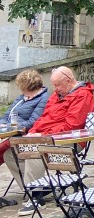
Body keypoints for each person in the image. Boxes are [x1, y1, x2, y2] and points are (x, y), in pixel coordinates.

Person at [7, 68, 94, 211]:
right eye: (53, 85)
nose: (55, 89)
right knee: (10, 153)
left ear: (68, 81)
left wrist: (42, 135)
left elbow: (71, 126)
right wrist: (33, 132)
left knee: (34, 151)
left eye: (57, 85)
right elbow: (44, 118)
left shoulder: (83, 95)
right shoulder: (57, 95)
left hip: (70, 140)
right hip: (48, 137)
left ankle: (36, 197)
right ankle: (38, 188)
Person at [0, 70, 49, 204]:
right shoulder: (22, 98)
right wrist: (3, 124)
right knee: (5, 152)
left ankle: (35, 188)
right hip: (11, 133)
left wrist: (11, 127)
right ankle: (32, 187)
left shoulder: (43, 98)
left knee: (3, 151)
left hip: (24, 135)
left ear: (27, 85)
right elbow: (6, 115)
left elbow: (33, 122)